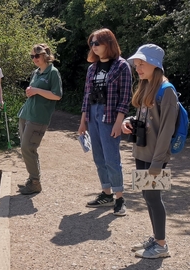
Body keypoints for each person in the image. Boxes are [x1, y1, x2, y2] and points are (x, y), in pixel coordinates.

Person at [122, 44, 175, 258]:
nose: (137, 68)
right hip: (142, 152)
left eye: (141, 63)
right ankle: (156, 237)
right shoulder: (146, 85)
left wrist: (157, 161)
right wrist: (128, 120)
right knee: (147, 195)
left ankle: (161, 246)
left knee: (153, 197)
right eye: (136, 64)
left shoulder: (166, 90)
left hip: (155, 156)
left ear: (155, 64)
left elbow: (166, 130)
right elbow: (142, 117)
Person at [77, 28, 132, 216]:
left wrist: (119, 122)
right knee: (98, 157)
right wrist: (83, 121)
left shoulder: (122, 66)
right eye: (91, 43)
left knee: (111, 158)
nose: (93, 47)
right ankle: (106, 193)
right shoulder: (92, 68)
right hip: (93, 113)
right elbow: (86, 96)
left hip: (110, 115)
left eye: (97, 43)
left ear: (108, 43)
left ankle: (119, 197)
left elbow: (125, 97)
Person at [17, 44, 62, 195]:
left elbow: (57, 95)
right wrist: (31, 92)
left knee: (27, 147)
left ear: (46, 55)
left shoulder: (53, 72)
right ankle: (32, 179)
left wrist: (36, 90)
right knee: (27, 148)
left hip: (39, 117)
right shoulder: (35, 72)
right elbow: (35, 92)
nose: (34, 59)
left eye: (37, 56)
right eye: (32, 56)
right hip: (27, 113)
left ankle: (35, 182)